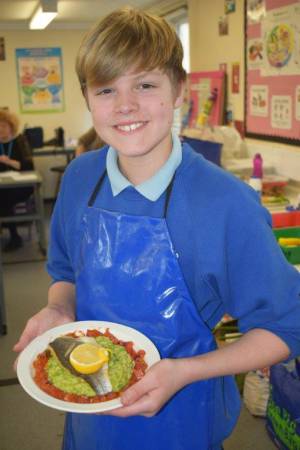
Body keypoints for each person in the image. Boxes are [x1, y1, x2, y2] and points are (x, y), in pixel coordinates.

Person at [14, 7, 300, 450]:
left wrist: (187, 371)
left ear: (178, 89)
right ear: (88, 98)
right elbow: (66, 272)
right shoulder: (78, 179)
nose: (125, 105)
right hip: (88, 406)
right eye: (107, 89)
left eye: (145, 85)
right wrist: (59, 309)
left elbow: (286, 328)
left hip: (180, 413)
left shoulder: (226, 204)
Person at [0, 110, 34, 251]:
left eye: (3, 126)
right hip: (2, 185)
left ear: (11, 127)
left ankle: (14, 236)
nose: (0, 129)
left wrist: (8, 161)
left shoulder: (20, 141)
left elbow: (28, 166)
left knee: (3, 198)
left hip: (22, 185)